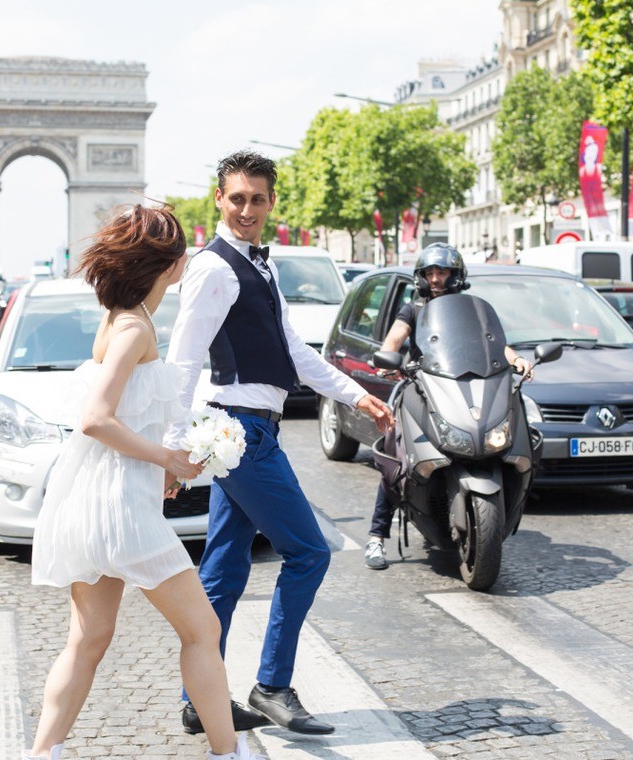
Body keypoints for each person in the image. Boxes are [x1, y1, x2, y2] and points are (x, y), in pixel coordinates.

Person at [165, 150, 393, 736]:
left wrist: (352, 394)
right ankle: (271, 685)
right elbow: (184, 359)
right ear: (218, 198)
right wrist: (172, 448)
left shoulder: (259, 266)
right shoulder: (214, 268)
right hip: (237, 430)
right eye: (236, 198)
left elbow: (293, 351)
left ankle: (200, 699)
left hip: (248, 428)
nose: (246, 209)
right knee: (310, 552)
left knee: (222, 569)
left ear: (270, 202)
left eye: (257, 199)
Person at [25, 205, 263, 760]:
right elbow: (96, 418)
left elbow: (123, 415)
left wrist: (158, 468)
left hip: (96, 499)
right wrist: (168, 460)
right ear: (173, 266)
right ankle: (228, 754)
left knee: (87, 640)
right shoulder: (133, 326)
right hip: (119, 509)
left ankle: (42, 755)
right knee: (202, 631)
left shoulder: (120, 317)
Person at [363, 243, 532, 571]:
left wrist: (517, 360)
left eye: (443, 272)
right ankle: (376, 536)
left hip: (460, 387)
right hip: (422, 387)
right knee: (394, 455)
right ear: (422, 277)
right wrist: (389, 357)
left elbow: (495, 344)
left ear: (457, 275)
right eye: (431, 273)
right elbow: (394, 339)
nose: (437, 278)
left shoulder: (473, 311)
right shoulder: (412, 310)